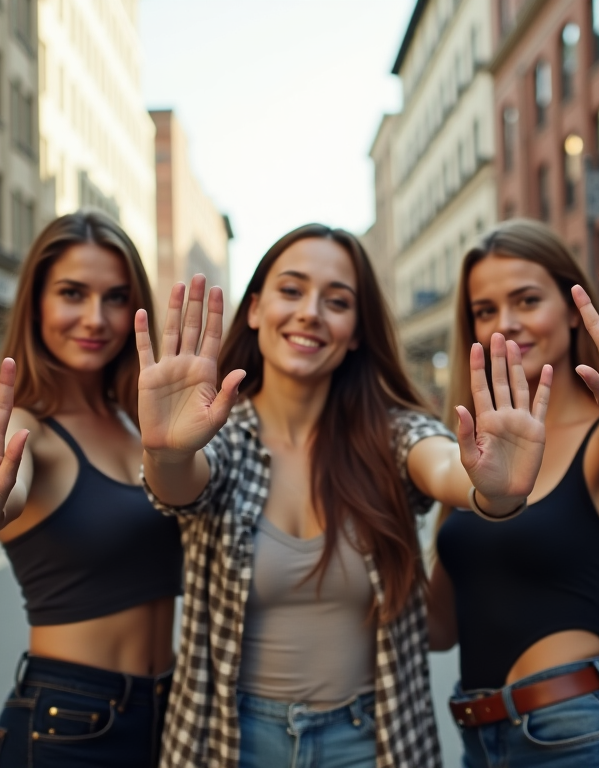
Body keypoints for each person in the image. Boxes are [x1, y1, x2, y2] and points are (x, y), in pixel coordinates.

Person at [136, 224, 553, 768]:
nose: (311, 312)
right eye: (291, 290)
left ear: (356, 330)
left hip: (370, 743)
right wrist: (166, 451)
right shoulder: (222, 438)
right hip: (231, 743)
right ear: (256, 308)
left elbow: (445, 463)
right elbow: (179, 488)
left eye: (337, 301)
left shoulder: (392, 434)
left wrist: (491, 490)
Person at [0, 211, 183, 768]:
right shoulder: (23, 426)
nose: (95, 318)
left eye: (115, 297)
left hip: (174, 718)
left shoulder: (139, 422)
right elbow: (0, 496)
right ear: (37, 301)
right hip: (70, 726)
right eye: (72, 293)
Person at [429, 219, 599, 768]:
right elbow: (438, 630)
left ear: (572, 309)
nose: (507, 324)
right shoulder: (474, 454)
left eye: (526, 300)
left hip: (576, 737)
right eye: (485, 310)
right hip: (479, 741)